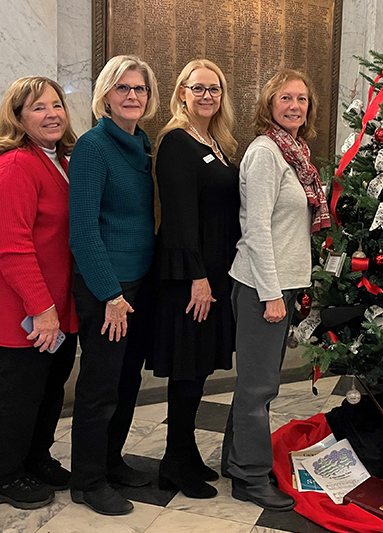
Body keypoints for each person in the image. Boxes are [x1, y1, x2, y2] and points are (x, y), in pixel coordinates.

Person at [221, 69, 330, 511]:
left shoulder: (297, 154)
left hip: (282, 283)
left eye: (302, 99)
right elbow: (256, 229)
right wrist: (269, 294)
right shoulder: (266, 153)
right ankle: (249, 477)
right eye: (285, 98)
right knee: (260, 386)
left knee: (256, 382)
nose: (294, 106)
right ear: (269, 104)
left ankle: (236, 460)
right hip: (259, 285)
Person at [0, 77, 78, 510]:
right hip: (26, 307)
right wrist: (42, 309)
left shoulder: (61, 162)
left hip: (57, 305)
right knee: (20, 391)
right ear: (17, 117)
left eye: (56, 105)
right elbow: (12, 247)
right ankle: (2, 476)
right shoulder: (15, 166)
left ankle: (36, 457)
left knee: (50, 388)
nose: (51, 114)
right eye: (38, 107)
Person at [68, 55, 159, 516]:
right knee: (100, 384)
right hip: (108, 286)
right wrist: (111, 294)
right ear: (106, 95)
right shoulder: (93, 145)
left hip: (140, 282)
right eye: (122, 88)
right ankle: (87, 480)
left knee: (127, 380)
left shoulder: (143, 145)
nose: (132, 96)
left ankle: (110, 459)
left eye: (139, 89)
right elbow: (83, 229)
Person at [148, 59, 240, 499]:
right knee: (188, 368)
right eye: (198, 88)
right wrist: (197, 279)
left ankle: (184, 452)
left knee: (200, 368)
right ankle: (173, 463)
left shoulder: (217, 142)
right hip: (189, 275)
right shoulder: (176, 142)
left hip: (215, 271)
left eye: (215, 89)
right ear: (182, 91)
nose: (207, 96)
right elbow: (181, 217)